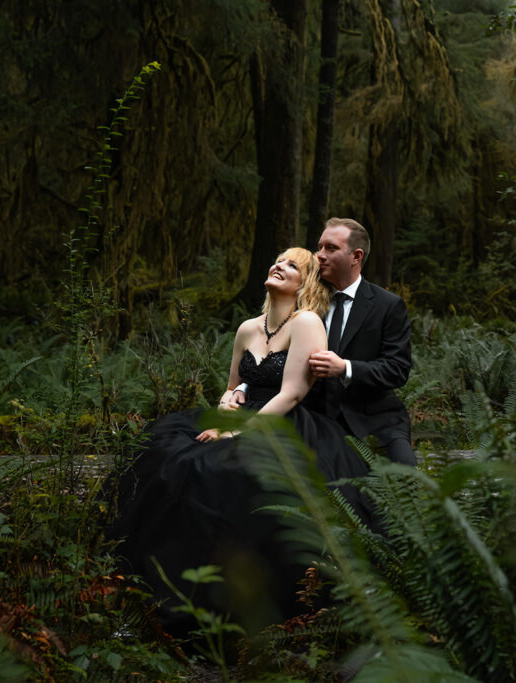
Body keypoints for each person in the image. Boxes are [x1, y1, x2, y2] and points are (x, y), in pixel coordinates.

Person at [108, 247, 372, 632]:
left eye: (292, 265)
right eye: (278, 260)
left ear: (306, 281)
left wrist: (240, 430)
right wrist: (225, 408)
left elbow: (293, 393)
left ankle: (241, 599)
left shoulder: (307, 322)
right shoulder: (248, 327)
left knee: (230, 470)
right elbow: (231, 386)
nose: (279, 265)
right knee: (174, 457)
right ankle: (153, 585)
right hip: (244, 415)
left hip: (283, 421)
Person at [232, 219, 415, 466]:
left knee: (407, 477)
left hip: (372, 419)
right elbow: (271, 349)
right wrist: (245, 387)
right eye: (319, 247)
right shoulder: (302, 300)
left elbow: (397, 370)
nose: (320, 255)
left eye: (330, 248)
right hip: (311, 417)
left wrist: (345, 368)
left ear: (356, 256)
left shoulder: (387, 306)